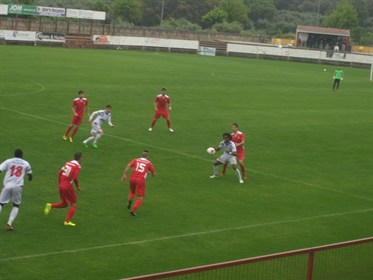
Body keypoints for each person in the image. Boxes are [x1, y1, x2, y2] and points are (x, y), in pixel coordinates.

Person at [44, 152, 82, 227]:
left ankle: (50, 206)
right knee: (74, 204)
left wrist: (59, 183)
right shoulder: (77, 166)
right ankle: (67, 221)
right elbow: (75, 178)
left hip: (61, 185)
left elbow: (59, 172)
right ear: (80, 158)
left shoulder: (67, 163)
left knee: (65, 204)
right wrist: (77, 186)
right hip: (67, 187)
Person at [0, 149, 32, 231]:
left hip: (7, 186)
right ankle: (9, 223)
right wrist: (29, 178)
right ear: (22, 155)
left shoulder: (9, 161)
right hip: (18, 187)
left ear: (14, 154)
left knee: (0, 203)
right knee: (16, 205)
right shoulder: (26, 163)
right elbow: (30, 175)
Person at [121, 150, 156, 216]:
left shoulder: (135, 160)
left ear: (141, 156)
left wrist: (124, 174)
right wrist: (151, 173)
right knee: (140, 197)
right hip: (140, 180)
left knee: (132, 192)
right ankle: (133, 211)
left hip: (132, 178)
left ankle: (129, 199)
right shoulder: (148, 163)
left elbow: (128, 165)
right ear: (147, 157)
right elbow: (153, 173)